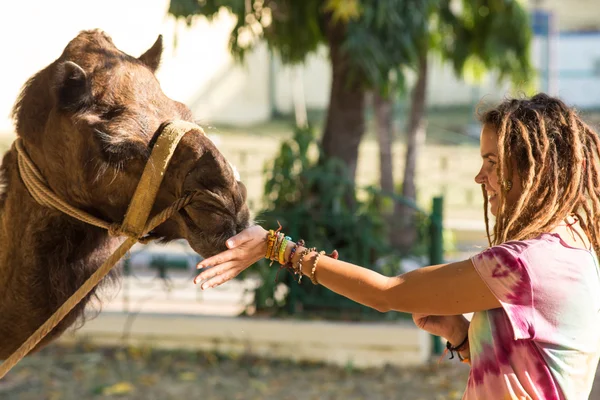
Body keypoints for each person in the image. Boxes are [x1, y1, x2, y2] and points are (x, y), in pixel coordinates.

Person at [194, 93, 600, 399]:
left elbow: (386, 293)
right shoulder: (572, 251)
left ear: (534, 165)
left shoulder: (525, 265)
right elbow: (530, 374)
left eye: (493, 162)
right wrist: (460, 335)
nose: (480, 176)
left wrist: (276, 247)